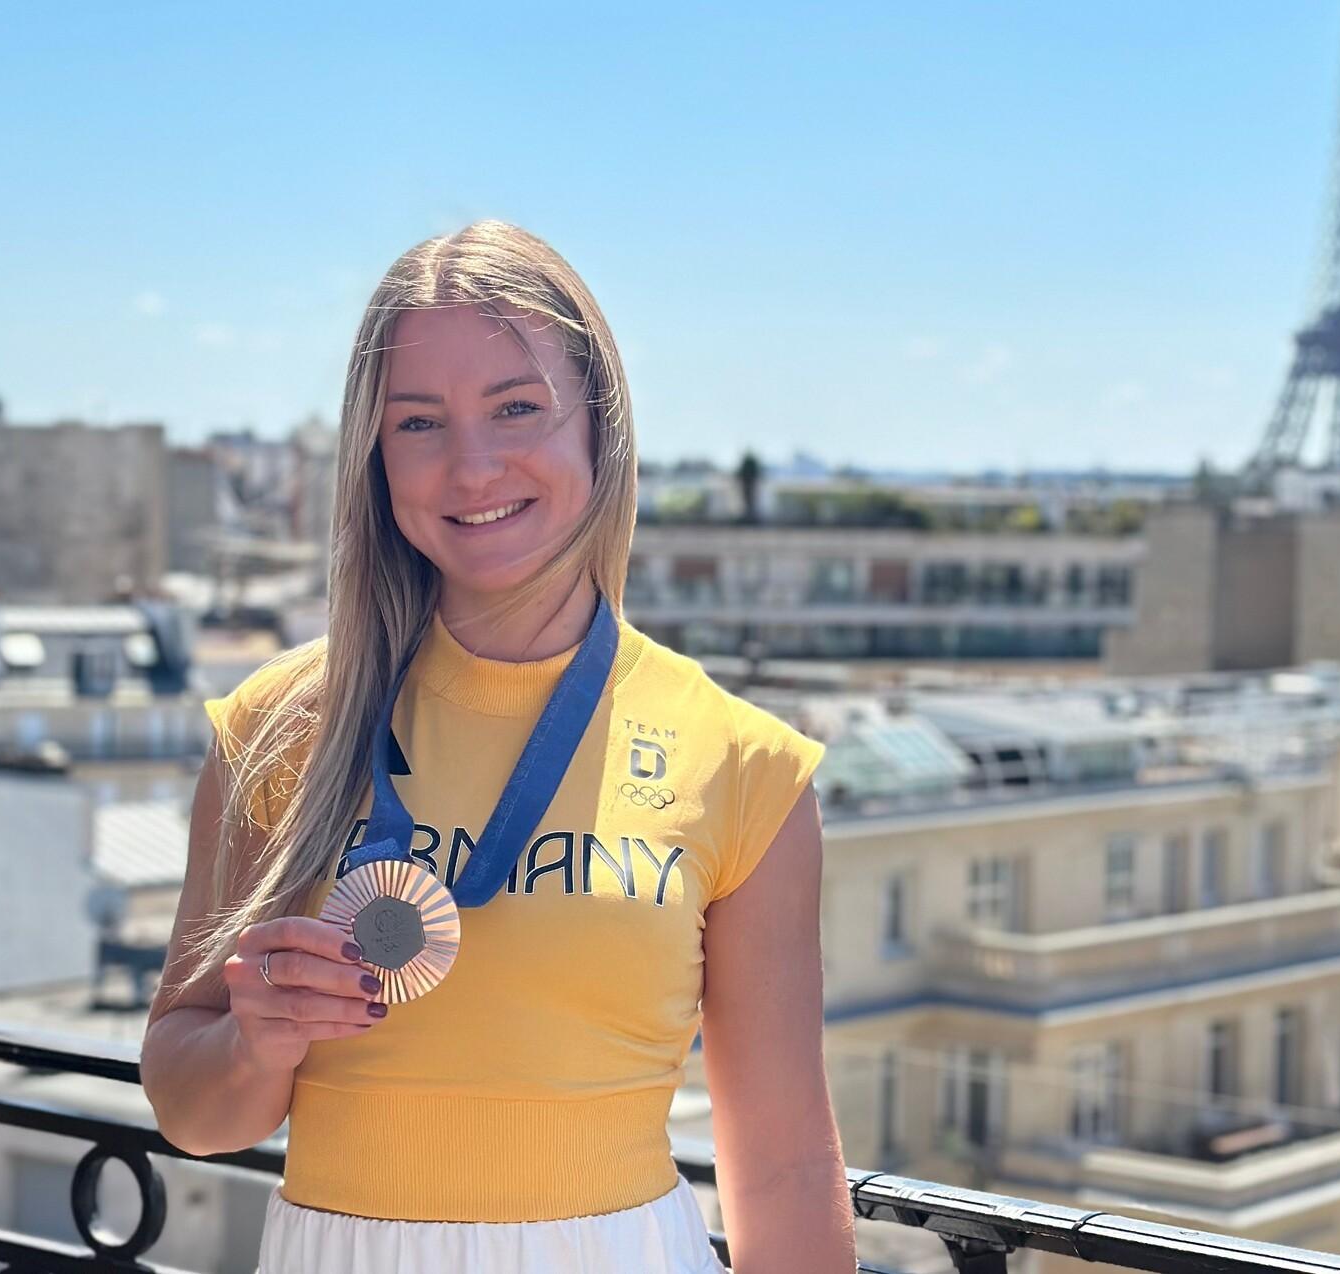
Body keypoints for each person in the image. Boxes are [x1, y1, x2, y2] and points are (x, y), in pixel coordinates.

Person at [141, 221, 857, 1273]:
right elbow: (193, 1110)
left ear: (600, 427)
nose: (471, 465)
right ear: (374, 457)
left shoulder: (741, 763)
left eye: (516, 407)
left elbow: (786, 1166)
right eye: (418, 422)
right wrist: (258, 1040)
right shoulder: (275, 724)